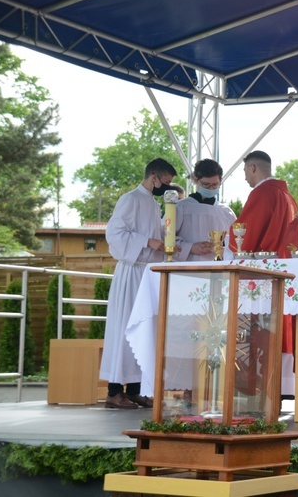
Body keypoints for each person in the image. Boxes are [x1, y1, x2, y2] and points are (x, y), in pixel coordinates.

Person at [100, 157, 177, 409]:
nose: (167, 188)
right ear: (153, 177)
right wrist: (146, 241)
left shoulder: (153, 205)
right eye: (165, 183)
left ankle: (134, 389)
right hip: (131, 270)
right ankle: (114, 392)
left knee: (144, 329)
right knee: (125, 328)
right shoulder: (130, 199)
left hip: (147, 272)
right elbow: (114, 234)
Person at [229, 150, 298, 258]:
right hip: (285, 259)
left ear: (252, 168)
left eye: (245, 171)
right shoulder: (287, 195)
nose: (245, 178)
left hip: (266, 262)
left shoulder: (262, 193)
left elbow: (248, 230)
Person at [173, 159, 236, 261]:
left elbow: (236, 242)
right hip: (187, 268)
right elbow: (165, 238)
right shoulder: (181, 207)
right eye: (206, 184)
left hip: (219, 269)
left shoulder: (226, 212)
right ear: (195, 180)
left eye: (215, 184)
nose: (211, 189)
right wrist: (190, 247)